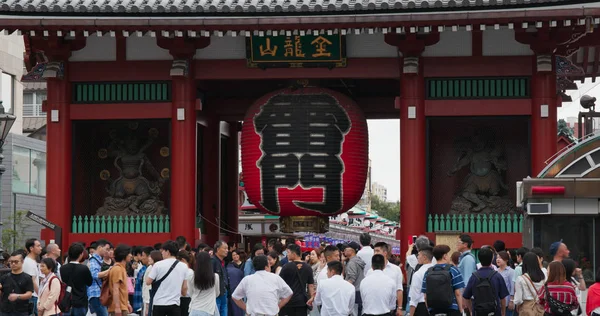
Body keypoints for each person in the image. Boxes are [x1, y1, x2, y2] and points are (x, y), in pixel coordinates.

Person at [146, 240, 189, 316]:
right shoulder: (184, 266)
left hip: (159, 303)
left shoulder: (158, 265)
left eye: (163, 251)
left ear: (168, 251)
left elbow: (148, 282)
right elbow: (184, 288)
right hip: (175, 304)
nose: (161, 253)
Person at [463, 247, 509, 316]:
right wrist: (503, 313)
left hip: (478, 312)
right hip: (494, 312)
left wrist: (471, 311)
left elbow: (466, 297)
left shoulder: (474, 277)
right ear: (492, 258)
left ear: (479, 259)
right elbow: (503, 298)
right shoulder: (497, 276)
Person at [422, 245, 465, 316]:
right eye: (448, 255)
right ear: (444, 256)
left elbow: (425, 296)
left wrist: (429, 310)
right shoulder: (453, 270)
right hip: (451, 309)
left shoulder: (428, 272)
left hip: (434, 309)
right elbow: (458, 293)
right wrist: (461, 311)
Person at [367, 242, 403, 316]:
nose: (375, 253)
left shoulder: (396, 269)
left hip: (390, 310)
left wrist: (399, 307)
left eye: (377, 251)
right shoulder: (370, 271)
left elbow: (399, 289)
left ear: (385, 253)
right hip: (373, 310)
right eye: (374, 251)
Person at [279, 243, 315, 316]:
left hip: (288, 301)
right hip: (301, 302)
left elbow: (280, 284)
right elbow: (310, 285)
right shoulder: (308, 267)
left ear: (294, 254)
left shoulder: (286, 267)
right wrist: (312, 297)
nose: (287, 255)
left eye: (288, 252)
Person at [60, 243, 93, 316]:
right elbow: (89, 282)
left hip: (66, 301)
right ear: (81, 254)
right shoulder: (84, 268)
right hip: (80, 301)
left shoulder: (62, 268)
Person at [0, 251, 34, 316]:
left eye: (16, 262)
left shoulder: (27, 278)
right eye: (11, 262)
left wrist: (17, 296)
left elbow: (29, 294)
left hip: (21, 311)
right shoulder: (4, 277)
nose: (13, 264)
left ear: (22, 262)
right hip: (5, 311)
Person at [187, 252, 219, 316]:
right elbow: (217, 293)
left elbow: (190, 293)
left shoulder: (191, 276)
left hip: (195, 308)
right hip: (209, 309)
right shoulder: (215, 276)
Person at [89, 239, 113, 316]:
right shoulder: (93, 260)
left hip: (99, 293)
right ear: (99, 247)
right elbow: (94, 275)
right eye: (106, 249)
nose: (107, 251)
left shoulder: (98, 260)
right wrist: (110, 270)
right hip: (96, 294)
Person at [108, 244, 133, 316]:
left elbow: (122, 289)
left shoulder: (121, 268)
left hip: (122, 306)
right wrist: (117, 307)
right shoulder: (118, 269)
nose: (131, 255)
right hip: (118, 308)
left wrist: (127, 303)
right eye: (129, 253)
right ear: (124, 254)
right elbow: (116, 289)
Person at [409, 248, 434, 316]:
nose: (417, 257)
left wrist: (411, 314)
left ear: (424, 257)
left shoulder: (418, 273)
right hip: (436, 306)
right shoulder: (436, 270)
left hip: (422, 307)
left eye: (419, 255)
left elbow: (414, 298)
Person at [24, 238, 43, 315]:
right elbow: (32, 280)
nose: (40, 248)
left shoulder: (32, 261)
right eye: (38, 246)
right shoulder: (29, 262)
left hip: (33, 296)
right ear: (31, 248)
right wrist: (40, 295)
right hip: (32, 296)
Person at [211, 241, 230, 316]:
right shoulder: (213, 261)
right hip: (216, 293)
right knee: (217, 312)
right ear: (218, 249)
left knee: (224, 311)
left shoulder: (222, 262)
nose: (227, 250)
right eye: (225, 248)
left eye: (227, 248)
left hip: (224, 291)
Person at [133, 247, 153, 315]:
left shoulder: (151, 270)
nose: (141, 258)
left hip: (145, 301)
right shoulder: (143, 268)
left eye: (143, 255)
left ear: (149, 256)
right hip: (140, 299)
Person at [143, 250, 163, 316]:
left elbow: (147, 286)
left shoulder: (152, 268)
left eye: (150, 257)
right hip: (152, 299)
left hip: (151, 300)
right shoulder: (152, 268)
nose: (148, 258)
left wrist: (147, 304)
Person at [497, 251, 515, 316]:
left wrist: (511, 300)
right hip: (497, 302)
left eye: (500, 258)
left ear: (506, 260)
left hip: (507, 301)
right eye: (497, 258)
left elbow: (512, 287)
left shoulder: (511, 271)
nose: (498, 259)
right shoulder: (495, 271)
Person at [177, 250, 195, 316]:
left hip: (183, 299)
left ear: (182, 260)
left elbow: (184, 289)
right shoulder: (191, 271)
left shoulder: (187, 272)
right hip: (189, 299)